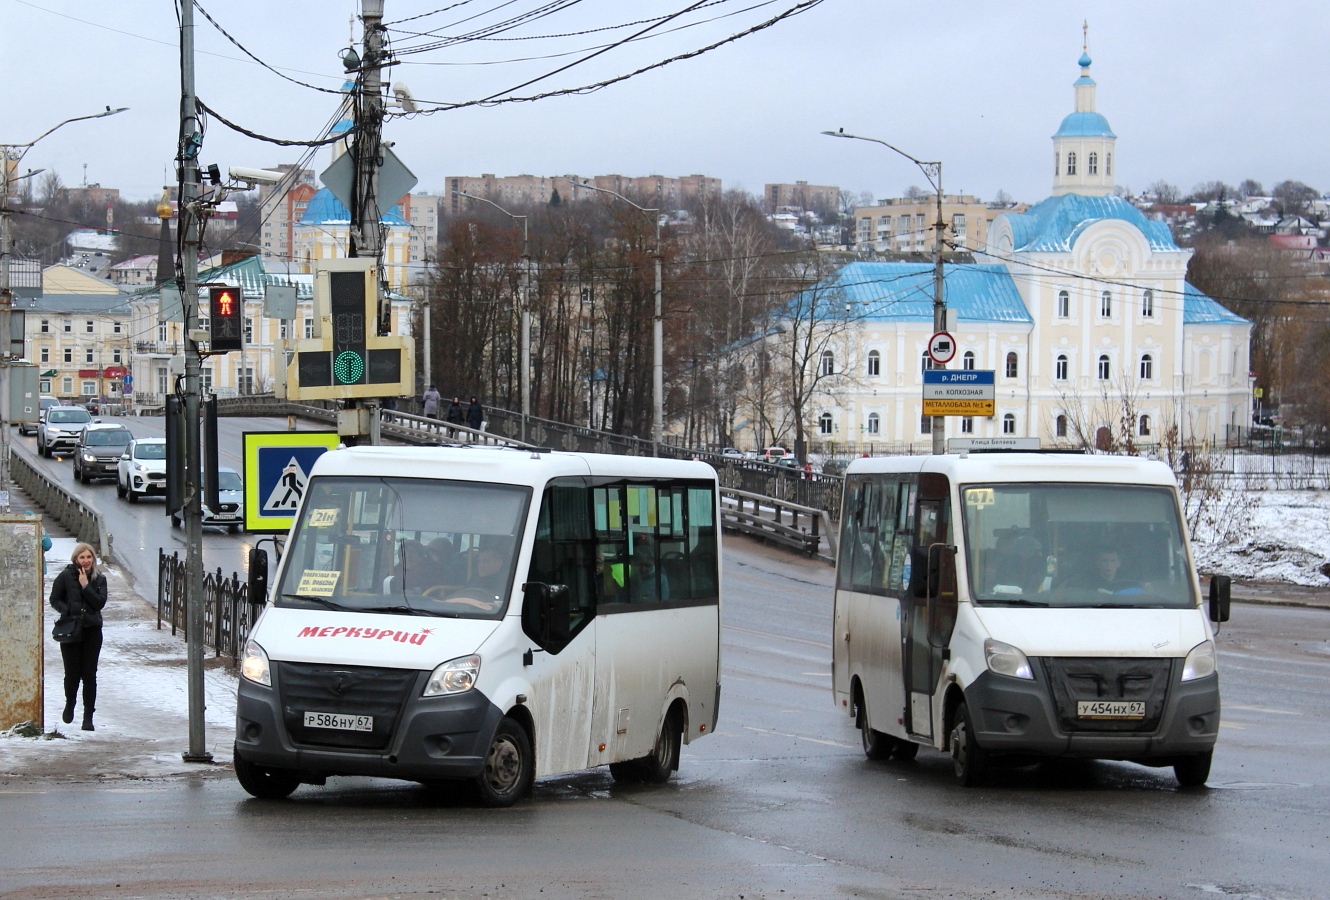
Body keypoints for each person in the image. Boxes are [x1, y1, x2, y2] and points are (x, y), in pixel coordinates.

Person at [49, 543, 108, 731]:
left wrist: (85, 586)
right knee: (72, 673)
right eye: (82, 557)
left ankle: (88, 716)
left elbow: (99, 603)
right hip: (71, 631)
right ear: (76, 559)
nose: (86, 561)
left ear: (93, 559)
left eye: (89, 557)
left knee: (89, 674)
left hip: (92, 631)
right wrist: (68, 611)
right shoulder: (66, 576)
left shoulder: (100, 579)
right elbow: (54, 598)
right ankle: (70, 703)